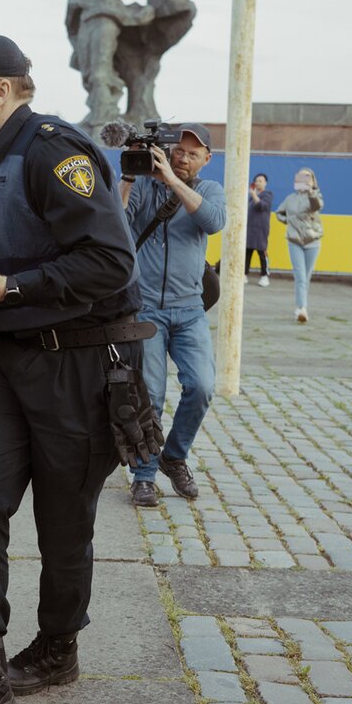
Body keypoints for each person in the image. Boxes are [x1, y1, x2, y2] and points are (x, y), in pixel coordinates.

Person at [0, 34, 157, 704]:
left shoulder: (55, 151)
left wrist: (11, 287)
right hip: (7, 364)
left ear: (0, 88)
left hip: (79, 367)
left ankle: (57, 646)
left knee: (64, 521)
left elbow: (110, 263)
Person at [122, 121, 226, 509]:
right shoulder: (145, 186)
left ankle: (174, 455)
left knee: (202, 386)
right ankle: (144, 476)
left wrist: (172, 180)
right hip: (145, 307)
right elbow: (115, 219)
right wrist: (131, 177)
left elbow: (213, 222)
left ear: (206, 160)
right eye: (177, 151)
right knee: (149, 392)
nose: (182, 158)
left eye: (192, 154)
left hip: (189, 310)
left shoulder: (208, 190)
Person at [276, 168, 323, 323]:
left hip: (313, 241)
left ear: (313, 180)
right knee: (300, 276)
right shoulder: (290, 198)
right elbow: (279, 213)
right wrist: (289, 222)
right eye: (301, 177)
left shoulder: (315, 196)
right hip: (294, 241)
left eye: (308, 177)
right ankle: (302, 308)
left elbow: (317, 206)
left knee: (306, 277)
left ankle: (300, 306)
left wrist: (311, 191)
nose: (304, 179)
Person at [247, 172, 272, 287]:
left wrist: (253, 195)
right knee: (247, 252)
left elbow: (262, 206)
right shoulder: (251, 197)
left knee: (262, 252)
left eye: (260, 181)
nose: (258, 183)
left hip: (261, 229)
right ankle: (244, 274)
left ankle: (264, 275)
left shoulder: (267, 194)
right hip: (249, 229)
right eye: (256, 181)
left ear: (265, 183)